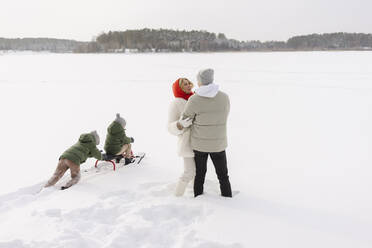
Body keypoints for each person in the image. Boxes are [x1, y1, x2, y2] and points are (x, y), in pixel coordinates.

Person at [180, 69, 232, 197]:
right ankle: (228, 198)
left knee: (200, 175)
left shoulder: (194, 99)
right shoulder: (224, 97)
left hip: (199, 144)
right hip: (218, 143)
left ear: (200, 81)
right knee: (223, 175)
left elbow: (185, 120)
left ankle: (198, 198)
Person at [168, 78, 196, 196]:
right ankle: (177, 195)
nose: (189, 85)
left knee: (198, 171)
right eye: (185, 84)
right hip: (187, 142)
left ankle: (197, 192)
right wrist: (180, 125)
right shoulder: (176, 103)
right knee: (189, 172)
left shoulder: (195, 98)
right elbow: (169, 126)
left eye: (189, 83)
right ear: (179, 88)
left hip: (200, 140)